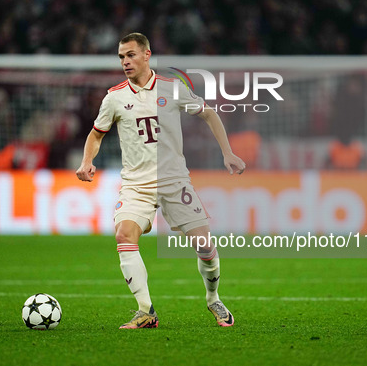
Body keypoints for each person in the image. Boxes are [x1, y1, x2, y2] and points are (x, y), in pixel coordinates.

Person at [76, 33, 246, 329]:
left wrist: (228, 153)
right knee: (124, 235)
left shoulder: (172, 88)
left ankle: (213, 298)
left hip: (174, 182)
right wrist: (86, 161)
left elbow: (209, 114)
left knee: (205, 246)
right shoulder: (114, 97)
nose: (125, 61)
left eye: (130, 55)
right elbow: (96, 133)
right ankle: (145, 311)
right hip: (135, 185)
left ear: (146, 55)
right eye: (120, 57)